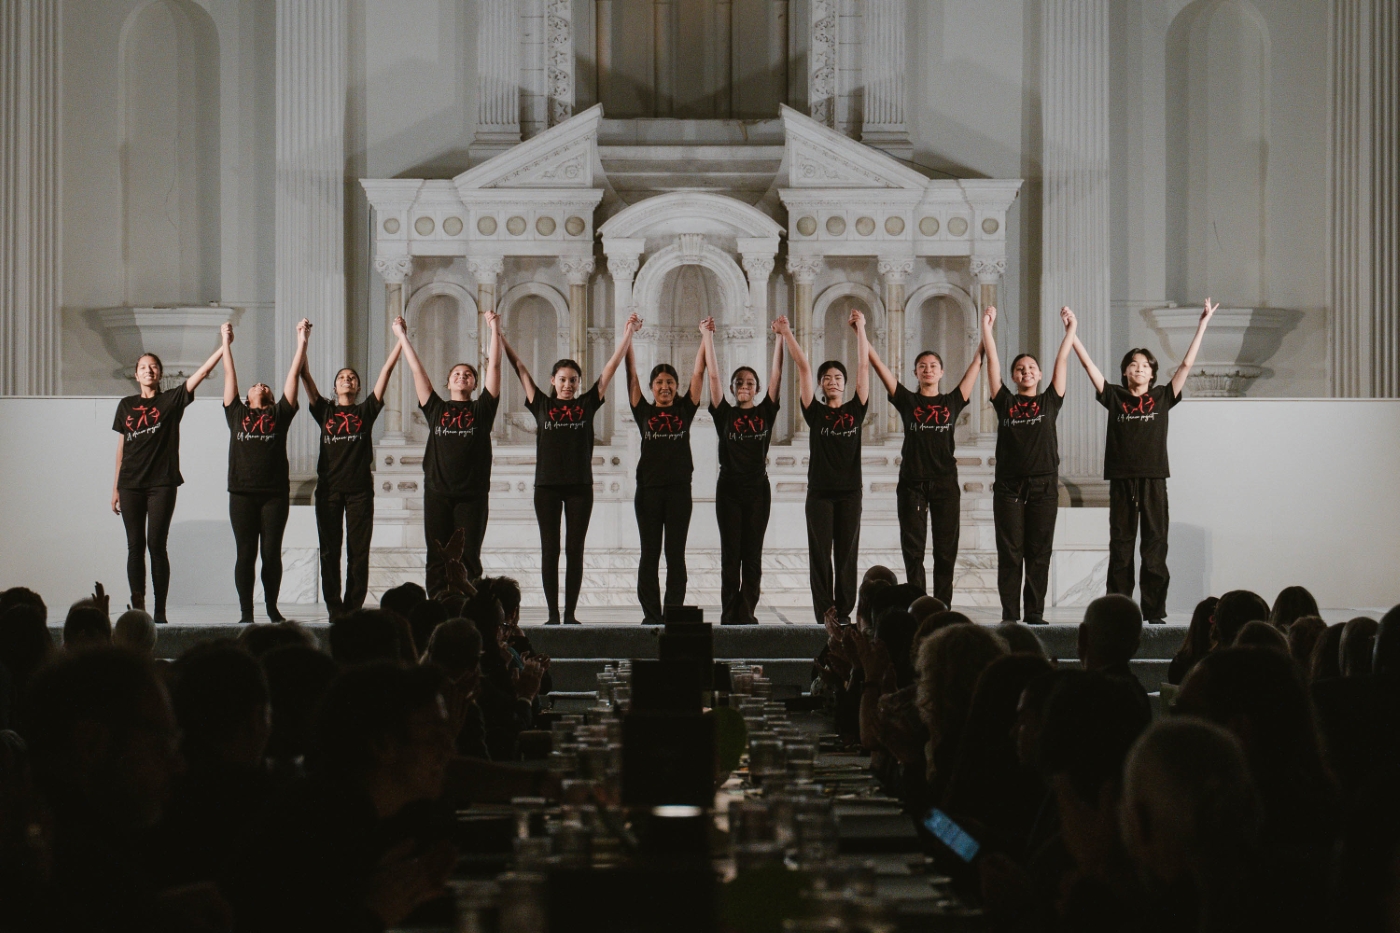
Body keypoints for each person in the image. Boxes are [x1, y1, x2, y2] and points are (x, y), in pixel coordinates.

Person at [1068, 298, 1218, 624]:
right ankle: (1118, 612)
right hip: (1123, 480)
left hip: (1153, 480)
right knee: (1121, 551)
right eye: (1133, 364)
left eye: (1145, 365)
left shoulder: (1162, 396)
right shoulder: (1115, 397)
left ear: (1152, 373)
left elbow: (1186, 367)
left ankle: (1154, 613)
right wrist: (1073, 334)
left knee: (1154, 550)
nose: (1139, 368)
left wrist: (1202, 324)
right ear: (1125, 371)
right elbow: (1089, 367)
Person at [500, 313, 635, 624]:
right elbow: (519, 368)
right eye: (562, 379)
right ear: (552, 381)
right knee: (551, 550)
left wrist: (627, 335)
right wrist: (499, 335)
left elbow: (610, 369)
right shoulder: (541, 404)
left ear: (578, 383)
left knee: (575, 551)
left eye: (573, 379)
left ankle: (571, 614)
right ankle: (552, 614)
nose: (568, 384)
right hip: (546, 486)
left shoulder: (587, 403)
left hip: (579, 487)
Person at [111, 337, 227, 623]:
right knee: (134, 546)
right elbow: (122, 449)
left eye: (153, 367)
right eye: (143, 367)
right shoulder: (126, 405)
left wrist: (224, 346)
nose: (148, 371)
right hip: (130, 484)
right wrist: (115, 487)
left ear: (160, 374)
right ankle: (139, 608)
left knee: (156, 544)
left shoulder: (170, 400)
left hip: (161, 483)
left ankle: (160, 611)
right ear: (136, 374)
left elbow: (198, 376)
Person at [867, 320, 983, 605]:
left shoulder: (952, 401)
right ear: (915, 373)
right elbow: (879, 367)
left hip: (944, 483)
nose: (928, 369)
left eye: (933, 365)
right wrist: (861, 332)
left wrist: (987, 329)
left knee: (945, 551)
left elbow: (977, 365)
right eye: (922, 366)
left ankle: (942, 606)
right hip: (912, 485)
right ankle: (917, 605)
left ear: (941, 372)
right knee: (913, 550)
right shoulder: (908, 401)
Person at [300, 321, 404, 616]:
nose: (347, 380)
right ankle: (334, 608)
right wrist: (303, 340)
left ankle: (353, 606)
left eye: (352, 378)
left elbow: (385, 373)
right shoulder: (325, 410)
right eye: (342, 378)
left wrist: (399, 340)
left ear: (357, 387)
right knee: (330, 551)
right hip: (329, 490)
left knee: (358, 553)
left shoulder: (365, 411)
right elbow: (304, 375)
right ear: (335, 387)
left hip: (359, 491)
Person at [982, 305, 1074, 625]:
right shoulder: (1005, 401)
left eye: (1031, 367)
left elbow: (1062, 361)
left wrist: (1070, 330)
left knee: (1039, 552)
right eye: (1020, 368)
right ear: (1013, 377)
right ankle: (1010, 614)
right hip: (1008, 486)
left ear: (1039, 373)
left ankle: (1034, 613)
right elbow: (992, 362)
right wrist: (987, 327)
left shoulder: (1050, 399)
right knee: (1011, 553)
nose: (1026, 371)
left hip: (1044, 485)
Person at [398, 310, 502, 593]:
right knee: (437, 556)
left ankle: (470, 610)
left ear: (474, 383)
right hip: (438, 492)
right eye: (456, 373)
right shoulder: (436, 408)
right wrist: (402, 337)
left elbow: (494, 367)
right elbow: (418, 372)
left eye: (468, 374)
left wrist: (494, 329)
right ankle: (436, 609)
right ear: (448, 382)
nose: (462, 376)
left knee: (468, 558)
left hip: (472, 493)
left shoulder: (482, 410)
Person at [780, 308, 871, 624]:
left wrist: (860, 329)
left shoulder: (856, 409)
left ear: (845, 384)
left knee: (846, 556)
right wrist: (787, 332)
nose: (833, 381)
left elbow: (863, 365)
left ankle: (844, 611)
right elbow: (803, 367)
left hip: (849, 493)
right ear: (821, 384)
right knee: (821, 557)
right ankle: (825, 612)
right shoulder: (815, 413)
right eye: (827, 378)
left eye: (838, 378)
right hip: (819, 494)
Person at [221, 318, 309, 623]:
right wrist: (226, 343)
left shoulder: (279, 413)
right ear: (247, 397)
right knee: (245, 553)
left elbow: (292, 378)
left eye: (266, 386)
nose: (261, 385)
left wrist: (302, 342)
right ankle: (246, 611)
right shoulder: (236, 413)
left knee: (271, 552)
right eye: (256, 385)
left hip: (274, 494)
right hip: (242, 492)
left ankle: (272, 608)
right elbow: (230, 374)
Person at [625, 316, 710, 624]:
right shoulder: (643, 410)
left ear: (676, 387)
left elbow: (699, 373)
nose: (664, 386)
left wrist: (704, 337)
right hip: (647, 491)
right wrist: (628, 335)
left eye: (670, 382)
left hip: (678, 492)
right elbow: (630, 373)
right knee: (649, 554)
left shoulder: (684, 409)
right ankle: (651, 616)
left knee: (675, 556)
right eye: (659, 382)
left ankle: (672, 613)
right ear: (652, 387)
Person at [704, 315, 787, 626]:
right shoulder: (723, 414)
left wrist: (780, 337)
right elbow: (712, 377)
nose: (744, 386)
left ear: (757, 389)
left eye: (749, 382)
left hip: (757, 490)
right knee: (731, 557)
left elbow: (778, 374)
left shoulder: (766, 411)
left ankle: (746, 611)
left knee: (752, 556)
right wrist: (707, 338)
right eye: (739, 382)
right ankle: (729, 614)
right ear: (732, 388)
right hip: (728, 489)